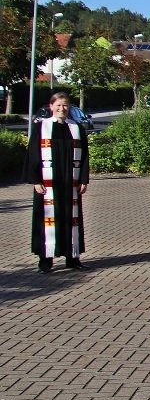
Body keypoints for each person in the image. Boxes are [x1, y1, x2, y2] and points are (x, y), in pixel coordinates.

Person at [26, 92, 90, 273]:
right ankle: (45, 261)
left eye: (65, 105)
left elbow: (85, 156)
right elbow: (33, 154)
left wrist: (83, 179)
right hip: (48, 184)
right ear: (51, 106)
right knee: (47, 220)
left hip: (70, 182)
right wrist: (36, 180)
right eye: (58, 105)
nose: (62, 108)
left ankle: (73, 259)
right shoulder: (41, 127)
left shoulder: (76, 128)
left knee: (71, 218)